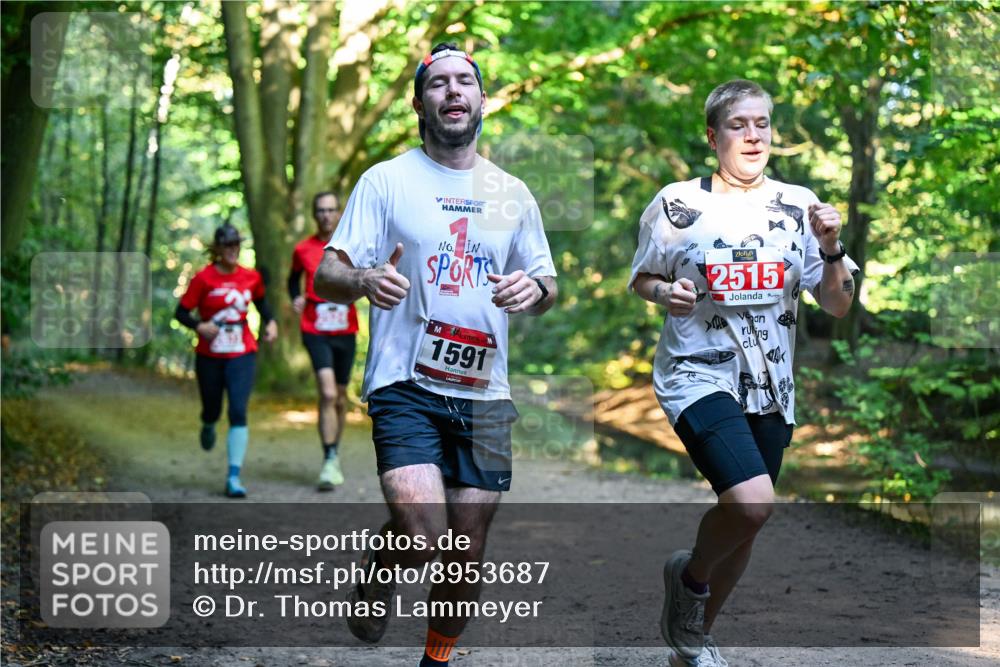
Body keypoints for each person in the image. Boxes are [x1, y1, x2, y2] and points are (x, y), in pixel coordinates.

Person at [313, 42, 557, 667]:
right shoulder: (386, 181)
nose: (453, 91)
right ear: (420, 103)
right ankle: (386, 561)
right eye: (439, 83)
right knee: (426, 538)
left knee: (466, 548)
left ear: (481, 99)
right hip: (406, 384)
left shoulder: (512, 192)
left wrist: (535, 290)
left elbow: (546, 282)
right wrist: (365, 279)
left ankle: (435, 661)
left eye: (464, 82)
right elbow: (326, 272)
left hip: (486, 392)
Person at [629, 79, 858, 667]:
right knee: (754, 504)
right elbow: (643, 279)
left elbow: (836, 304)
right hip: (696, 374)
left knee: (746, 524)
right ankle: (690, 578)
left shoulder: (799, 205)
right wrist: (668, 293)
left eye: (762, 124)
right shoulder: (679, 203)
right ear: (714, 136)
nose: (753, 135)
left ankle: (693, 640)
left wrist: (831, 247)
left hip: (772, 385)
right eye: (739, 124)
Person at [174, 223, 278, 498]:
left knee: (238, 410)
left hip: (242, 352)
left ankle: (233, 476)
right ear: (218, 249)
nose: (233, 250)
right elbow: (181, 313)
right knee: (212, 409)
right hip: (209, 355)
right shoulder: (203, 279)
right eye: (228, 245)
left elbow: (262, 304)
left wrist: (271, 323)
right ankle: (208, 423)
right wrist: (198, 326)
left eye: (236, 244)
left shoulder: (251, 277)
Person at [288, 192, 358, 490]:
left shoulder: (354, 245)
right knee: (328, 394)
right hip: (314, 328)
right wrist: (296, 298)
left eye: (331, 210)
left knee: (340, 397)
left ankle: (334, 453)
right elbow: (292, 279)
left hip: (346, 330)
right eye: (321, 210)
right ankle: (329, 458)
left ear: (339, 213)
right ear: (315, 214)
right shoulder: (303, 249)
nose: (326, 215)